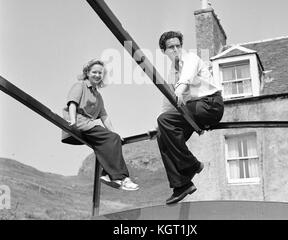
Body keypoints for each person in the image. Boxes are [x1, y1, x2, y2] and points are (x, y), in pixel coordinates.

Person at [156, 31, 224, 204]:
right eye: (171, 47)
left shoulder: (191, 59)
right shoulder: (172, 73)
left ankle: (193, 164)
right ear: (164, 51)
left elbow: (186, 78)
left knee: (165, 121)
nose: (176, 49)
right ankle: (182, 185)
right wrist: (158, 126)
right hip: (193, 111)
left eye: (178, 45)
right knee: (162, 135)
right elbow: (168, 103)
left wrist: (179, 90)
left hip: (209, 105)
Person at [63, 59, 139, 191]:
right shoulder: (80, 86)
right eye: (94, 72)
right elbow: (72, 103)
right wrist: (72, 120)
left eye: (100, 73)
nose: (97, 75)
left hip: (88, 125)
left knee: (112, 139)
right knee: (111, 138)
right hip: (80, 123)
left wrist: (115, 133)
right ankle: (121, 177)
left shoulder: (98, 96)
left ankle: (108, 174)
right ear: (87, 73)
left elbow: (104, 116)